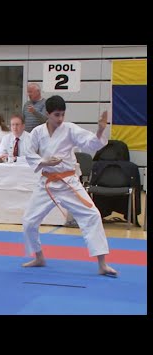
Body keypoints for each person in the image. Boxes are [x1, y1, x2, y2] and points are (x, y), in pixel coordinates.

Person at [22, 95, 117, 277]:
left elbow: (91, 143)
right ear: (48, 114)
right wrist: (44, 162)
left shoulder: (70, 129)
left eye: (62, 115)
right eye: (56, 115)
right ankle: (39, 257)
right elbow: (28, 152)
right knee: (28, 222)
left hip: (68, 183)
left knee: (93, 215)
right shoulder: (37, 133)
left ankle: (102, 264)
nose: (60, 119)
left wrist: (99, 131)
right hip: (47, 183)